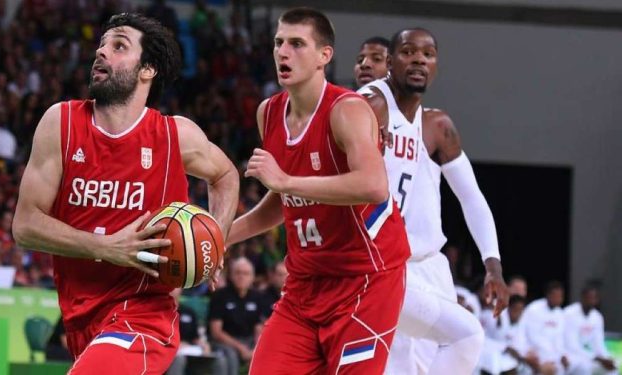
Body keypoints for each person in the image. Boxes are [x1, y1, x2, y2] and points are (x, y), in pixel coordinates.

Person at [12, 13, 239, 374]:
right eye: (102, 45)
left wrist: (217, 240)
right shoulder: (61, 123)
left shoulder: (174, 135)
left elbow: (226, 175)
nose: (101, 52)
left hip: (145, 315)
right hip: (81, 316)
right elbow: (25, 225)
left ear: (147, 69)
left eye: (118, 46)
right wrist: (105, 247)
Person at [226, 8, 410, 374]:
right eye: (279, 43)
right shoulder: (269, 113)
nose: (283, 52)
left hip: (366, 278)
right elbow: (284, 201)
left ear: (324, 56)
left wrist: (286, 180)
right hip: (305, 282)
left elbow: (373, 186)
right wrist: (219, 238)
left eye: (296, 44)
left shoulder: (348, 110)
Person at [358, 28, 509, 374]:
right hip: (384, 265)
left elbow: (471, 197)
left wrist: (493, 264)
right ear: (393, 64)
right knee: (457, 340)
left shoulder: (436, 125)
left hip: (430, 266)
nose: (419, 60)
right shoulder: (371, 106)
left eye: (427, 54)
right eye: (409, 52)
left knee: (445, 358)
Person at [208, 257, 265, 375]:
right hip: (224, 342)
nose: (241, 276)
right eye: (238, 272)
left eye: (246, 273)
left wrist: (256, 349)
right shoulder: (220, 296)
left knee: (268, 354)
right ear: (231, 275)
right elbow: (216, 332)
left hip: (249, 340)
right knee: (231, 356)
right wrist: (240, 348)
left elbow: (259, 327)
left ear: (252, 277)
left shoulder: (258, 296)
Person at [563, 285, 618, 375]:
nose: (591, 301)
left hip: (587, 356)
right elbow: (572, 346)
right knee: (584, 367)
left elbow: (598, 344)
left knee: (612, 368)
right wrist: (598, 359)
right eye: (589, 298)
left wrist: (606, 358)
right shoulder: (569, 313)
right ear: (582, 297)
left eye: (594, 298)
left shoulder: (597, 317)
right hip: (568, 355)